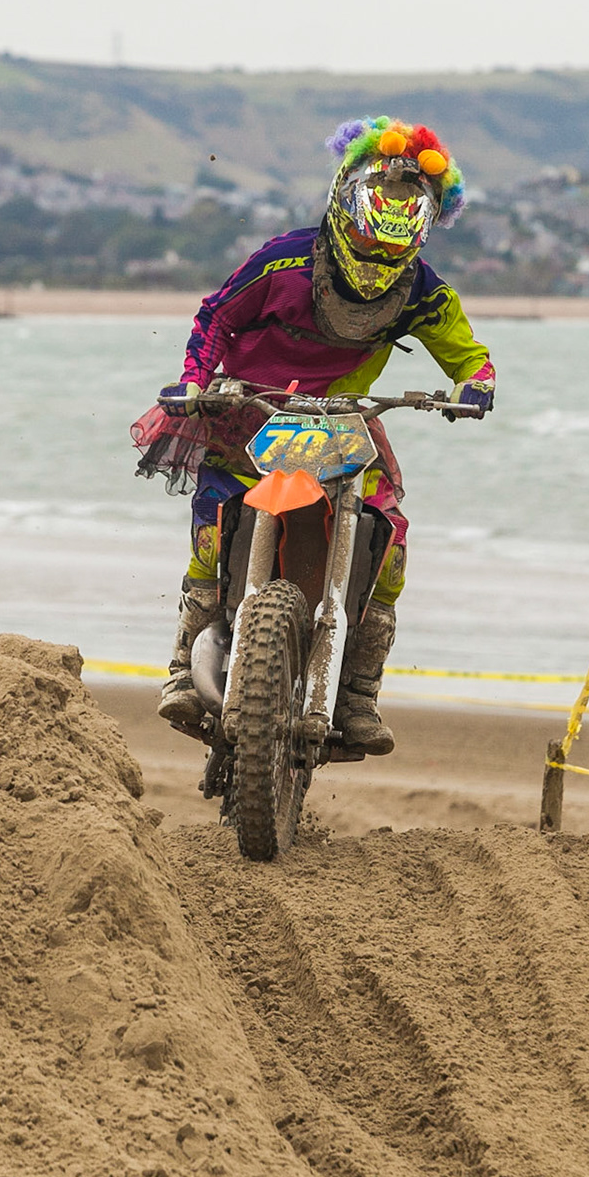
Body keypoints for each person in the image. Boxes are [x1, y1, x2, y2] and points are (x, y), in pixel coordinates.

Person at [131, 117, 497, 755]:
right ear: (345, 208)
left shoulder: (425, 294)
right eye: (369, 236)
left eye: (394, 244)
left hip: (345, 420)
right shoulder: (286, 259)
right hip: (249, 410)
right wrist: (195, 377)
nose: (379, 255)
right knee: (213, 524)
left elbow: (468, 355)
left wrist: (478, 384)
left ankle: (357, 692)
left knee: (391, 539)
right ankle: (181, 664)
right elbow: (217, 312)